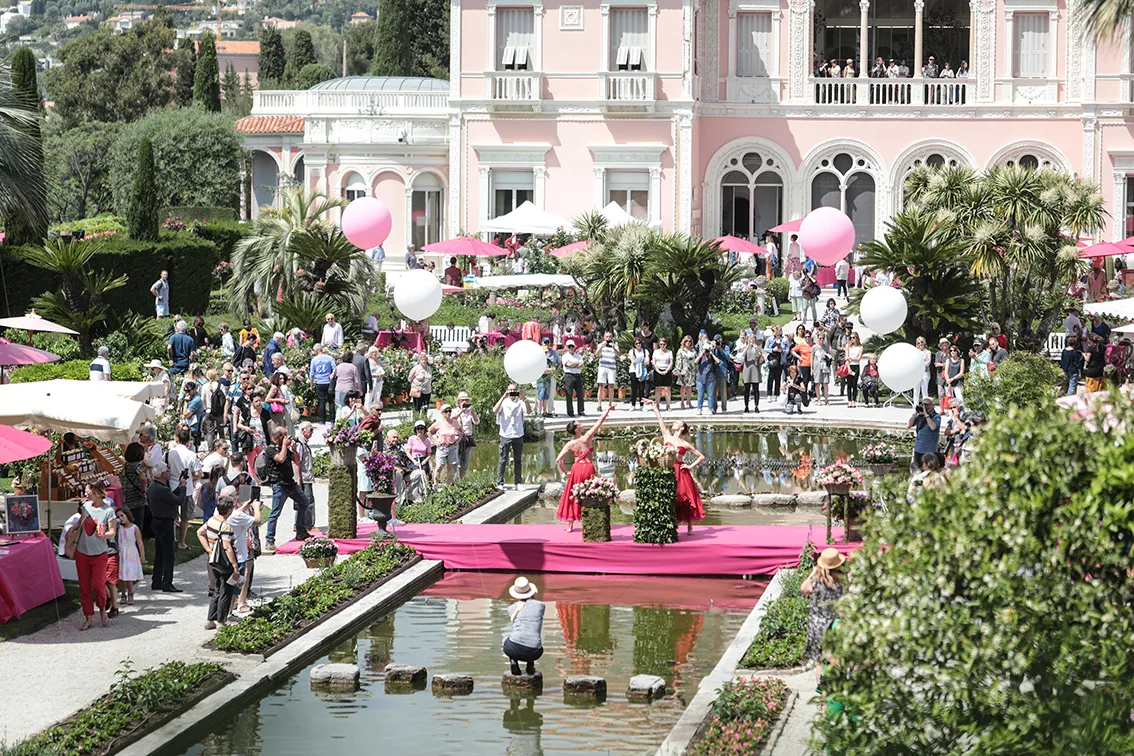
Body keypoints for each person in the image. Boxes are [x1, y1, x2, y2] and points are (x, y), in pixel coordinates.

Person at [647, 402, 705, 534]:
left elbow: (701, 456)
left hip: (681, 471)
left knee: (685, 497)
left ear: (682, 427)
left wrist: (690, 466)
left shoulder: (685, 444)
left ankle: (690, 526)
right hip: (668, 469)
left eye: (677, 422)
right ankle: (670, 523)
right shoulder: (667, 436)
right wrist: (654, 406)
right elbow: (660, 420)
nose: (674, 423)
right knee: (671, 496)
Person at [554, 405, 614, 531]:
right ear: (577, 430)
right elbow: (599, 422)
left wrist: (566, 473)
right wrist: (608, 410)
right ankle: (590, 522)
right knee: (590, 493)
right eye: (579, 424)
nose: (581, 424)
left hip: (576, 470)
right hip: (588, 468)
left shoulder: (570, 444)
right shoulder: (587, 437)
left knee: (573, 494)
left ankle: (570, 526)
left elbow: (558, 460)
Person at [71, 482, 118, 630]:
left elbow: (113, 532)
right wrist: (72, 529)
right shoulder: (86, 507)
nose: (86, 494)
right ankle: (88, 617)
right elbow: (80, 523)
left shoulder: (108, 511)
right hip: (82, 553)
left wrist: (103, 535)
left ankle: (102, 609)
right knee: (84, 587)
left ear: (96, 492)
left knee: (98, 586)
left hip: (99, 554)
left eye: (88, 491)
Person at [263, 426, 313, 554]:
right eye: (284, 436)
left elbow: (296, 460)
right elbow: (280, 459)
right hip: (279, 485)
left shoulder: (284, 448)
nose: (287, 438)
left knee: (304, 502)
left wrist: (294, 450)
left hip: (290, 483)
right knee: (275, 512)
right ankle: (269, 540)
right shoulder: (270, 449)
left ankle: (301, 531)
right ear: (278, 437)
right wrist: (285, 446)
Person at [197, 495, 241, 630]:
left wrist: (209, 550)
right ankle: (221, 621)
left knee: (217, 588)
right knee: (226, 591)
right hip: (224, 562)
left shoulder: (212, 520)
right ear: (229, 510)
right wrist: (235, 566)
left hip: (213, 561)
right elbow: (227, 547)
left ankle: (211, 619)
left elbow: (200, 532)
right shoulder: (226, 526)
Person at [800, 548, 846, 662]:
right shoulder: (841, 581)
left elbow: (803, 590)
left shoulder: (815, 580)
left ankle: (821, 680)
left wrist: (814, 572)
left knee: (820, 661)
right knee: (833, 657)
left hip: (816, 625)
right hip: (833, 624)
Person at [147, 461, 186, 592]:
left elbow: (171, 496)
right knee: (169, 554)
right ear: (164, 474)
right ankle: (167, 582)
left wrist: (179, 486)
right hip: (165, 523)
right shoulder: (161, 489)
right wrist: (184, 487)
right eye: (167, 471)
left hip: (157, 522)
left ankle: (157, 580)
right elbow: (179, 500)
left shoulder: (154, 487)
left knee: (160, 553)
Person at [226, 485, 262, 616]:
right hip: (240, 552)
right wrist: (257, 508)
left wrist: (244, 506)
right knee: (239, 580)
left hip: (231, 551)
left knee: (231, 582)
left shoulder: (223, 512)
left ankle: (228, 610)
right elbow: (258, 521)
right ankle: (237, 606)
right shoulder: (235, 516)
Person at [166, 426, 201, 548]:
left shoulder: (170, 453)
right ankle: (182, 542)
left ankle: (172, 540)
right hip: (187, 487)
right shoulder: (191, 454)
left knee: (172, 516)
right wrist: (191, 476)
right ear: (189, 440)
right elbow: (197, 473)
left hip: (172, 486)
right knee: (185, 517)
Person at [503, 577, 545, 677]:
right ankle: (530, 665)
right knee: (533, 641)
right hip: (535, 652)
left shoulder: (511, 609)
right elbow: (534, 605)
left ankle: (514, 662)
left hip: (514, 649)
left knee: (507, 641)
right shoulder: (541, 606)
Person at [495, 384, 530, 489]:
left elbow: (529, 411)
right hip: (506, 433)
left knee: (518, 459)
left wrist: (524, 398)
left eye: (514, 390)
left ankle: (518, 483)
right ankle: (500, 483)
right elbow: (495, 410)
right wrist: (503, 396)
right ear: (507, 391)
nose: (512, 392)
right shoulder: (504, 402)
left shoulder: (520, 402)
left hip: (518, 433)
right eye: (510, 390)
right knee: (503, 459)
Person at [115, 508, 144, 606]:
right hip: (121, 552)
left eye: (122, 516)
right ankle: (123, 593)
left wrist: (142, 555)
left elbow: (139, 542)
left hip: (131, 552)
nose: (120, 518)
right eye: (118, 517)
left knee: (129, 574)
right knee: (122, 575)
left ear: (127, 515)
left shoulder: (134, 528)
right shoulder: (119, 528)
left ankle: (130, 593)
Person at [428, 404, 462, 486]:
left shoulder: (454, 422)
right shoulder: (439, 423)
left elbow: (461, 430)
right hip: (442, 447)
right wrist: (434, 441)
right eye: (446, 411)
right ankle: (435, 484)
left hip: (452, 447)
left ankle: (448, 486)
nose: (448, 413)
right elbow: (429, 431)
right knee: (439, 466)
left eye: (450, 411)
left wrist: (458, 439)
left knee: (450, 467)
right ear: (442, 413)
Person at [294, 422, 317, 532]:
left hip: (305, 476)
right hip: (304, 477)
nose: (312, 432)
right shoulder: (300, 444)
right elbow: (297, 462)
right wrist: (299, 479)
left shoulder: (303, 443)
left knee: (302, 501)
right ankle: (308, 525)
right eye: (310, 430)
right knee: (308, 501)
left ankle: (298, 524)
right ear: (303, 430)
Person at [908, 398, 941, 471]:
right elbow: (908, 425)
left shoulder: (936, 416)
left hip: (929, 449)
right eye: (923, 404)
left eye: (927, 404)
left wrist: (926, 415)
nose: (925, 406)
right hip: (918, 448)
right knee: (916, 470)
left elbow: (933, 427)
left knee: (929, 470)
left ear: (933, 405)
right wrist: (915, 413)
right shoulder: (920, 416)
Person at [121, 442, 148, 529]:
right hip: (137, 498)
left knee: (128, 523)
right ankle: (137, 540)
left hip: (127, 498)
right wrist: (144, 490)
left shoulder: (125, 465)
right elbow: (143, 478)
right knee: (138, 523)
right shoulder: (137, 466)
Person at [453, 392, 480, 479]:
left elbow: (476, 422)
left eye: (466, 400)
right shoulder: (455, 411)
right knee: (455, 461)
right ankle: (453, 480)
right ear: (459, 401)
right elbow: (452, 420)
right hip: (457, 439)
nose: (464, 401)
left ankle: (462, 481)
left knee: (465, 461)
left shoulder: (470, 411)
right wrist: (461, 411)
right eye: (462, 400)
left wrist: (472, 412)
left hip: (467, 438)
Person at [738, 333, 765, 412]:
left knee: (756, 389)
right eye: (750, 339)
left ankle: (756, 406)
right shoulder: (745, 347)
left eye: (753, 339)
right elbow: (741, 356)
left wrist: (756, 348)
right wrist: (748, 346)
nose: (752, 340)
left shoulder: (757, 348)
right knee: (747, 389)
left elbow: (760, 356)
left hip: (755, 369)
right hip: (747, 369)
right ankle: (746, 406)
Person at [308, 343, 335, 423]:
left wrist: (311, 385)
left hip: (320, 382)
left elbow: (312, 374)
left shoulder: (314, 360)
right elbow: (335, 368)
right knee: (331, 401)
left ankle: (322, 420)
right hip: (329, 382)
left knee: (322, 401)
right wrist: (332, 375)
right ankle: (332, 419)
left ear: (316, 351)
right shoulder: (329, 358)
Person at [595, 332, 619, 411]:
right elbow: (596, 354)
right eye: (607, 336)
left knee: (611, 386)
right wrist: (601, 346)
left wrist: (614, 348)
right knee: (601, 386)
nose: (608, 338)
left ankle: (610, 404)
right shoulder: (601, 345)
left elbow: (619, 355)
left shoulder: (615, 345)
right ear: (604, 337)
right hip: (602, 367)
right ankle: (599, 404)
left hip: (611, 368)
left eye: (610, 336)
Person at [561, 340, 585, 417]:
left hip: (578, 375)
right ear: (567, 347)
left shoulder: (578, 356)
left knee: (580, 394)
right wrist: (577, 363)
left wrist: (573, 364)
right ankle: (570, 411)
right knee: (569, 394)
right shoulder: (565, 356)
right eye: (569, 346)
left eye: (572, 346)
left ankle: (581, 410)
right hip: (569, 375)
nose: (571, 348)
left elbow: (581, 365)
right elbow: (568, 364)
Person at [695, 340, 719, 415]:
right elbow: (695, 362)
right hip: (700, 378)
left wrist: (712, 354)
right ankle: (699, 409)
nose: (707, 352)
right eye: (706, 350)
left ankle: (710, 408)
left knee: (710, 395)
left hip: (710, 379)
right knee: (700, 395)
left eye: (708, 350)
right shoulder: (701, 357)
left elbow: (718, 362)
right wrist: (701, 354)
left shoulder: (712, 357)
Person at [675, 335, 697, 410]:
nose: (688, 342)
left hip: (691, 371)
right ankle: (682, 401)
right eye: (686, 341)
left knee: (690, 387)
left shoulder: (693, 350)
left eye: (689, 341)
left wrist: (696, 371)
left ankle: (689, 401)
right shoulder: (681, 350)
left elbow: (696, 361)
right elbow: (678, 361)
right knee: (683, 387)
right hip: (683, 371)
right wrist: (678, 370)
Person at [651, 337, 674, 411]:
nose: (662, 346)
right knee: (658, 389)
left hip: (667, 370)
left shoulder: (669, 352)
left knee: (667, 389)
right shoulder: (656, 352)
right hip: (658, 370)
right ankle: (657, 405)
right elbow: (654, 362)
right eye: (660, 344)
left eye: (663, 344)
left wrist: (666, 370)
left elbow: (671, 362)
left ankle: (668, 405)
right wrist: (658, 370)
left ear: (666, 344)